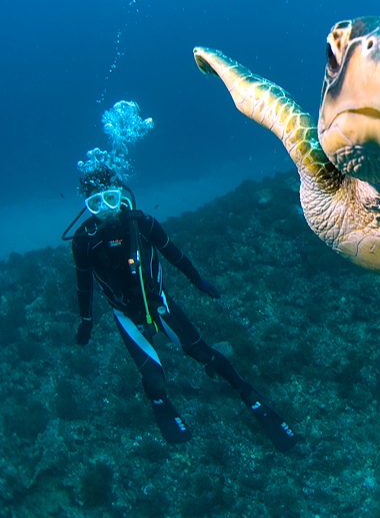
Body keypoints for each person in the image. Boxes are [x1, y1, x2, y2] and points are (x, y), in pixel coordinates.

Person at [69, 176, 299, 451]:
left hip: (158, 302)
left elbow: (172, 253)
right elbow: (84, 282)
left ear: (120, 196)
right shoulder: (83, 240)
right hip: (125, 314)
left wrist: (197, 280)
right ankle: (159, 400)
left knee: (203, 353)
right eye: (95, 203)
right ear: (87, 207)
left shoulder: (142, 223)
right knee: (153, 377)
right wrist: (86, 321)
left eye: (110, 199)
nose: (105, 209)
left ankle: (245, 390)